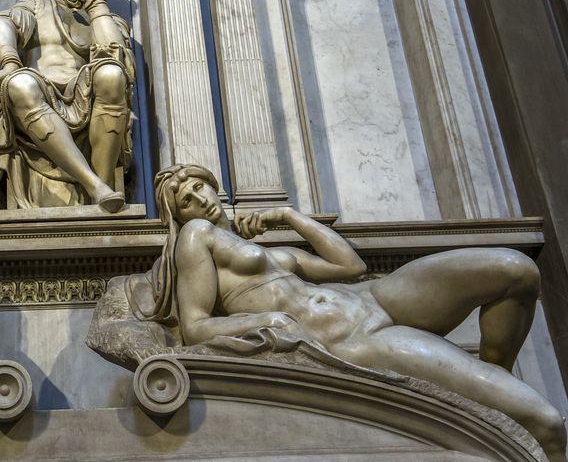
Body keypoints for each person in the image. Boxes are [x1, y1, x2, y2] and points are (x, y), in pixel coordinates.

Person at [128, 163, 566, 460]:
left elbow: (350, 266)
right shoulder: (196, 237)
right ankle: (499, 398)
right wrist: (267, 320)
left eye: (200, 186)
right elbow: (196, 325)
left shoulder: (263, 248)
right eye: (185, 199)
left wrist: (289, 216)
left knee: (517, 270)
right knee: (546, 425)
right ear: (179, 217)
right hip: (358, 342)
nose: (199, 199)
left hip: (378, 297)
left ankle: (496, 374)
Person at [0, 0, 135, 212]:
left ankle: (99, 193)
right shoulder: (38, 6)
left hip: (89, 99)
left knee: (112, 75)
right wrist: (10, 62)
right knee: (18, 83)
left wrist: (95, 5)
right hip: (39, 97)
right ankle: (96, 188)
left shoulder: (107, 19)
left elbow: (116, 58)